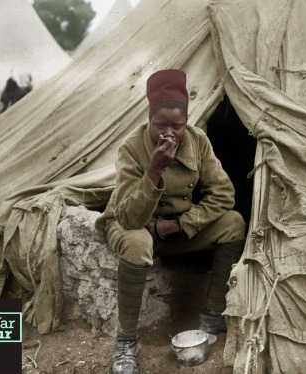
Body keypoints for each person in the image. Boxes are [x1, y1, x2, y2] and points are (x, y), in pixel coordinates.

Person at [95, 69, 246, 374]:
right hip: (133, 225)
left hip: (175, 228)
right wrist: (154, 170)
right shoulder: (132, 147)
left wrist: (176, 225)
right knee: (137, 243)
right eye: (160, 125)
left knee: (234, 222)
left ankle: (212, 314)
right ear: (149, 121)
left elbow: (224, 195)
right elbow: (129, 217)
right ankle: (126, 343)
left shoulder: (198, 142)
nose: (169, 133)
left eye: (177, 126)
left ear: (187, 121)